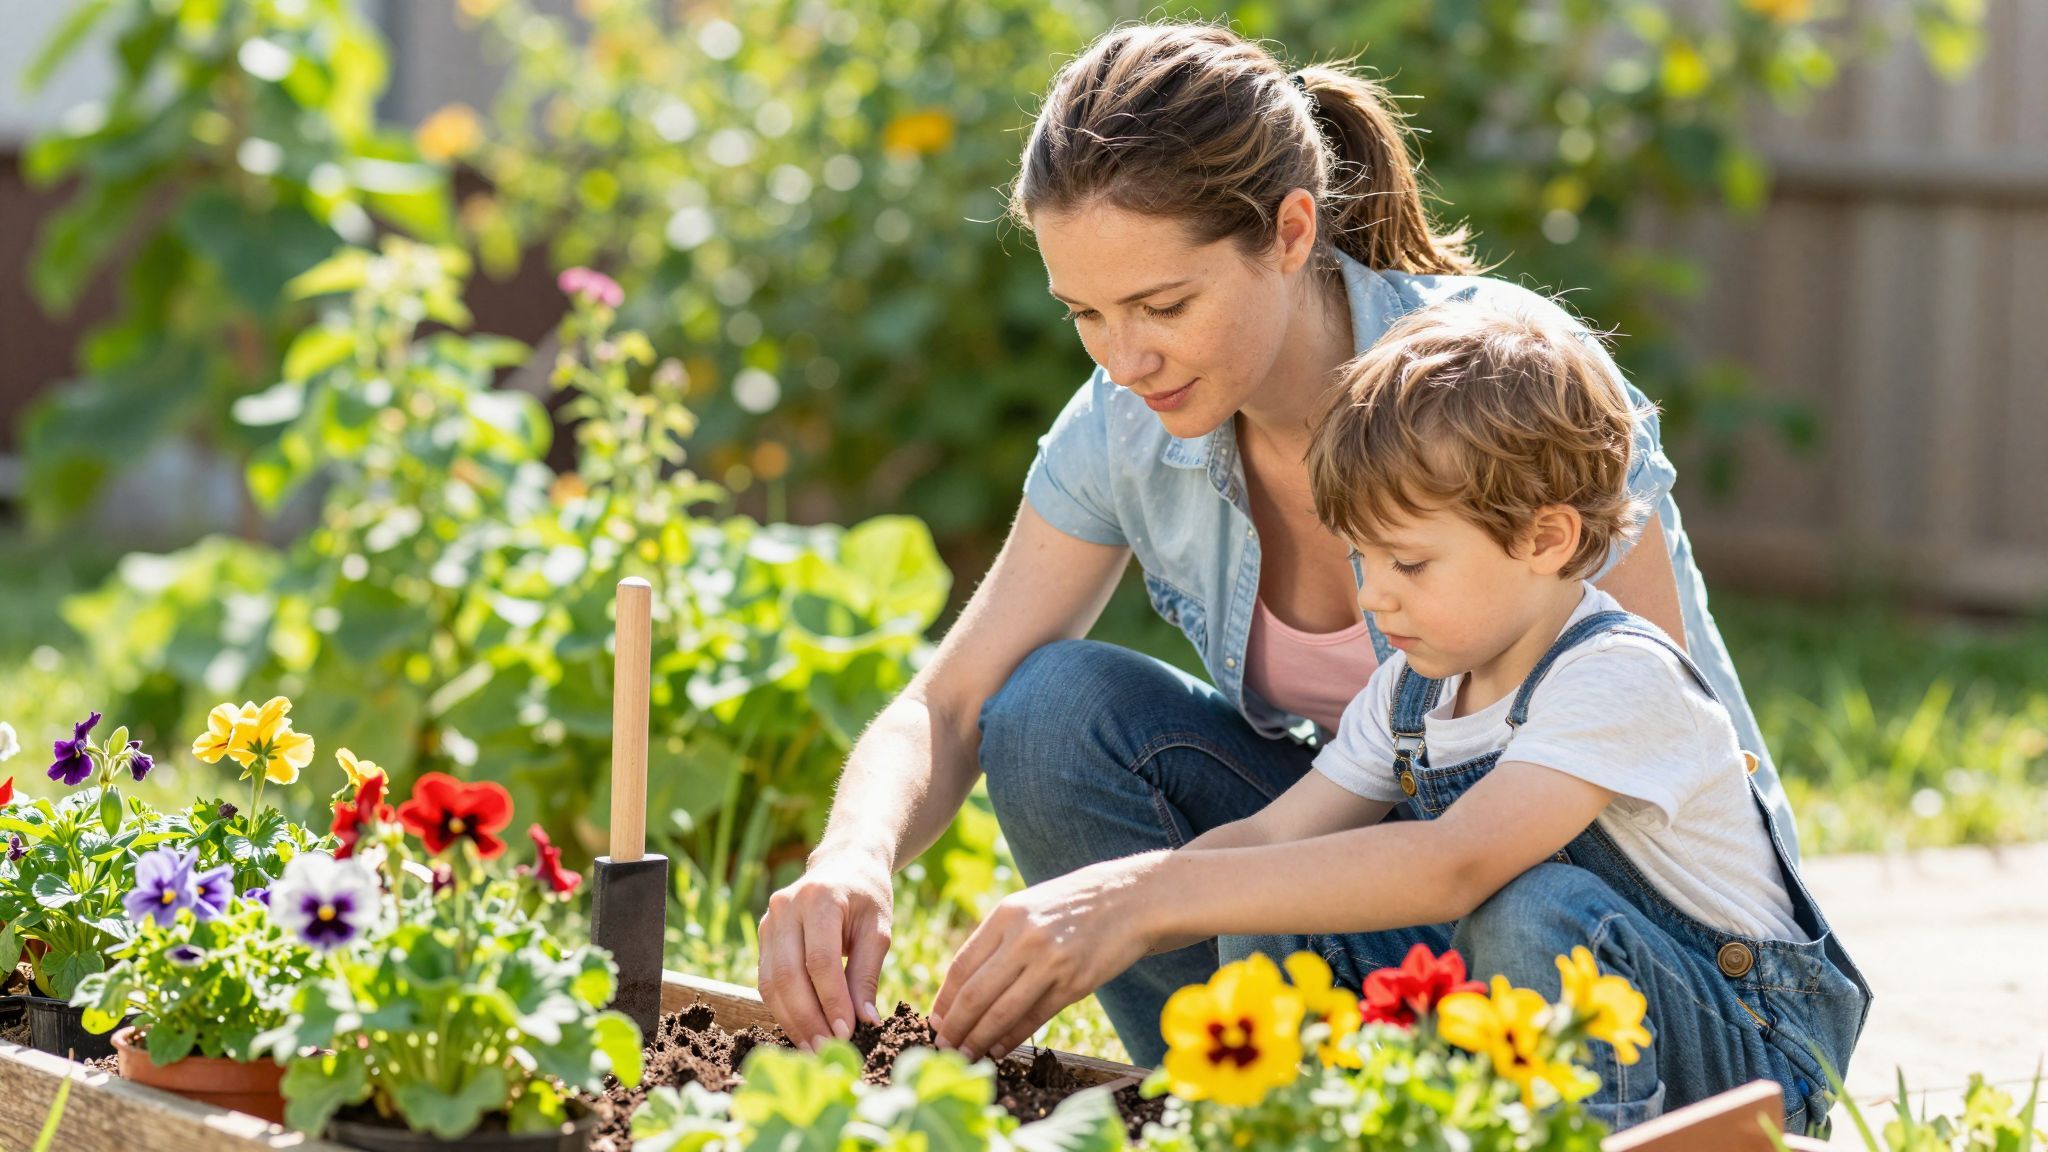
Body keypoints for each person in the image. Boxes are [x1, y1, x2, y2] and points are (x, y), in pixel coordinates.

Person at [758, 18, 1800, 1084]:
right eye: (1085, 314)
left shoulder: (1513, 396)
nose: (1125, 359)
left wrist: (1147, 895)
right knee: (1049, 711)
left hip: (1613, 949)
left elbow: (1604, 783)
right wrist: (853, 856)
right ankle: (1244, 1100)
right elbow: (950, 703)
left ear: (1291, 231)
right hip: (1391, 909)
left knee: (1520, 905)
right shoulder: (1125, 419)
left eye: (1163, 305)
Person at [928, 300, 1872, 1132]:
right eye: (1361, 560)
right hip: (1530, 1013)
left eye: (1410, 565)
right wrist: (1092, 913)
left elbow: (1453, 866)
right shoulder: (1417, 687)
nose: (1377, 599)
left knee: (1530, 909)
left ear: (1548, 538)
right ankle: (1289, 1126)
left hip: (1741, 1057)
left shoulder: (1619, 677)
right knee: (1282, 906)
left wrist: (1150, 904)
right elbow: (1271, 839)